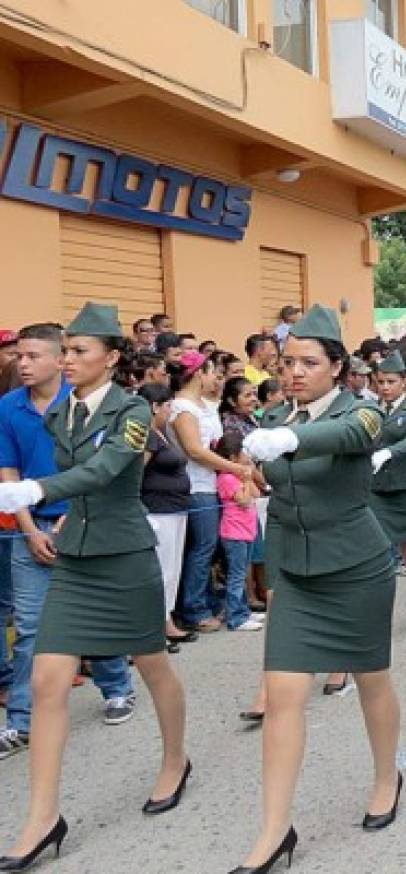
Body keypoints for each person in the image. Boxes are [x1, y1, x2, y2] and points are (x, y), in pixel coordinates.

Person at [0, 304, 190, 870]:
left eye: (80, 351)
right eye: (66, 351)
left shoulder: (133, 410)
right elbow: (74, 471)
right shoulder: (63, 414)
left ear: (110, 357)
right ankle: (41, 818)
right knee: (46, 678)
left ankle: (176, 760)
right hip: (76, 557)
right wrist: (55, 508)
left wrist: (36, 490)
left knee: (152, 665)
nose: (69, 360)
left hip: (124, 555)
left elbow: (108, 470)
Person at [234, 305, 401, 872]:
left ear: (337, 367)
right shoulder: (277, 414)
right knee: (283, 697)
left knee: (372, 681)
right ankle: (275, 828)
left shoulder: (364, 411)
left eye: (309, 362)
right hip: (298, 575)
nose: (295, 372)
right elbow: (276, 492)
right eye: (287, 363)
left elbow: (345, 436)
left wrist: (286, 441)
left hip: (356, 567)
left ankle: (386, 777)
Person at [0, 322, 138, 768]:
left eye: (33, 355)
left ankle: (117, 688)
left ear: (59, 358)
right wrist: (30, 528)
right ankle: (21, 720)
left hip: (82, 521)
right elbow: (9, 473)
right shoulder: (8, 407)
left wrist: (68, 516)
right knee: (33, 628)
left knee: (96, 615)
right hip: (29, 528)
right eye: (19, 355)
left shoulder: (84, 403)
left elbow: (99, 468)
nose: (23, 363)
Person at [172, 351, 249, 633]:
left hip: (211, 481)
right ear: (199, 373)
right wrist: (233, 466)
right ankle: (193, 608)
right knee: (202, 548)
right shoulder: (183, 407)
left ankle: (204, 599)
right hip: (195, 484)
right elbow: (194, 449)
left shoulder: (203, 405)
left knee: (209, 547)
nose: (215, 380)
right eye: (211, 373)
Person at [369, 351, 406, 635]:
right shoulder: (371, 409)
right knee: (378, 550)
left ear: (404, 381)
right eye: (380, 381)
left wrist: (387, 453)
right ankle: (378, 610)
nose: (385, 387)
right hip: (376, 489)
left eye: (391, 381)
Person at [137, 383, 195, 649]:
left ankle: (166, 619)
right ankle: (154, 626)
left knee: (172, 570)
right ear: (154, 407)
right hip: (158, 510)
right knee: (161, 570)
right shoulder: (147, 435)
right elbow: (137, 472)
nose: (171, 410)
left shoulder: (163, 432)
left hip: (175, 508)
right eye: (167, 405)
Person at [214, 431, 263, 633]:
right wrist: (244, 478)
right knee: (236, 575)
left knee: (241, 573)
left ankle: (242, 610)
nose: (247, 455)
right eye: (243, 451)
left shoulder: (239, 475)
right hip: (234, 533)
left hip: (246, 531)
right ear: (233, 457)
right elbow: (243, 499)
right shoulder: (226, 478)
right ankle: (236, 618)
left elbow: (257, 493)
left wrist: (248, 476)